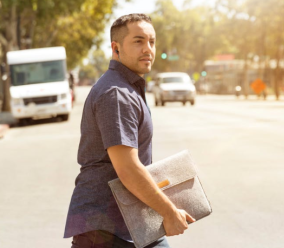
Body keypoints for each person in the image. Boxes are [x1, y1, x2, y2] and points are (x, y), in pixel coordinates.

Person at [64, 13, 195, 248]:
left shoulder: (126, 88)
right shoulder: (116, 93)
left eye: (151, 41)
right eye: (138, 41)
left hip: (131, 225)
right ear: (116, 48)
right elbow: (127, 168)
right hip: (106, 232)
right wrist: (169, 211)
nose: (148, 49)